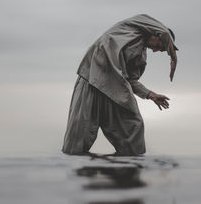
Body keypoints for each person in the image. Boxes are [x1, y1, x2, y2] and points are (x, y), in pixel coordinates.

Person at [61, 14, 179, 156]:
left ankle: (126, 173)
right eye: (160, 46)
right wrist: (173, 57)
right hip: (91, 81)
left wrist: (150, 95)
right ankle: (77, 174)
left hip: (114, 92)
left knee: (134, 129)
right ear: (156, 33)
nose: (156, 50)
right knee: (78, 140)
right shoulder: (133, 26)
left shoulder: (141, 57)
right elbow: (165, 33)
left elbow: (131, 81)